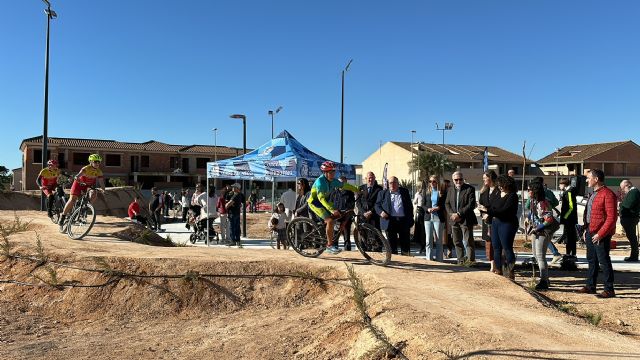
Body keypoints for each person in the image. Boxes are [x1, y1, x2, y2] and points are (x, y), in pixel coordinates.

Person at [578, 169, 618, 298]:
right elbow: (589, 215)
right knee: (592, 260)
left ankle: (609, 289)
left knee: (603, 261)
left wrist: (601, 234)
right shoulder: (593, 194)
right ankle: (590, 286)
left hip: (601, 234)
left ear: (596, 179)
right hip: (590, 231)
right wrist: (586, 229)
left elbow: (612, 218)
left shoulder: (608, 194)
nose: (586, 180)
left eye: (588, 178)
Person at [307, 161, 359, 254]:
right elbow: (321, 198)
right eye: (331, 172)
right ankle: (329, 245)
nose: (333, 174)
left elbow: (345, 185)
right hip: (316, 203)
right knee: (330, 221)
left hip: (326, 202)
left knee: (339, 214)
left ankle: (330, 233)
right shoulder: (320, 182)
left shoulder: (334, 181)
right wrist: (331, 209)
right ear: (325, 173)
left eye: (334, 172)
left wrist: (357, 189)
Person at [480, 175, 519, 279]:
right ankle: (498, 269)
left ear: (508, 185)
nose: (500, 187)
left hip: (507, 223)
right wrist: (484, 210)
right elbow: (492, 207)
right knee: (496, 247)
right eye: (499, 185)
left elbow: (504, 211)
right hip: (495, 223)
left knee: (507, 247)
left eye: (503, 185)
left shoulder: (512, 196)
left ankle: (510, 271)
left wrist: (488, 211)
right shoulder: (498, 194)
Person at [59, 154, 106, 232]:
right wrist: (77, 178)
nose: (97, 163)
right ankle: (63, 216)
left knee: (94, 193)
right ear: (91, 161)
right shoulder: (86, 168)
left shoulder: (99, 171)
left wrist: (104, 190)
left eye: (99, 162)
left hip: (88, 186)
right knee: (72, 200)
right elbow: (77, 176)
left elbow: (101, 182)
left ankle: (86, 208)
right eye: (95, 162)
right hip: (79, 184)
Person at [375, 176, 414, 256]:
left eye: (394, 182)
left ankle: (407, 262)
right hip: (390, 221)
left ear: (398, 183)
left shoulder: (404, 192)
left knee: (405, 245)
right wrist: (381, 212)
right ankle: (395, 262)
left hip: (403, 221)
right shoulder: (382, 193)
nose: (392, 184)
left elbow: (410, 207)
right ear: (388, 184)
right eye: (391, 183)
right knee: (392, 246)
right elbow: (377, 205)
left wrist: (410, 220)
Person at [445, 171, 477, 263]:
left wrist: (459, 214)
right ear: (453, 180)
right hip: (454, 220)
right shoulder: (450, 190)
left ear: (463, 179)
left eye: (460, 179)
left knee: (468, 241)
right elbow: (447, 203)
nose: (458, 181)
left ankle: (470, 261)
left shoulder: (470, 189)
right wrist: (452, 214)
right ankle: (460, 261)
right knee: (457, 241)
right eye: (456, 180)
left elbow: (471, 205)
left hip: (466, 219)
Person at [478, 170, 500, 272]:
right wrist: (483, 214)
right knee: (488, 244)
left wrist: (488, 213)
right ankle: (492, 265)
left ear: (490, 178)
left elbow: (498, 207)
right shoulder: (483, 192)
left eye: (484, 177)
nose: (483, 179)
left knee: (496, 243)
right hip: (486, 222)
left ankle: (498, 264)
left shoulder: (499, 191)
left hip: (496, 221)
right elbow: (480, 206)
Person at [422, 175, 446, 261]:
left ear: (437, 182)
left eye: (434, 181)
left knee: (439, 241)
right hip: (428, 218)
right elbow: (423, 205)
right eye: (430, 181)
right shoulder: (426, 192)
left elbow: (445, 205)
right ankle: (429, 260)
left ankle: (440, 260)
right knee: (428, 241)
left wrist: (438, 208)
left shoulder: (442, 192)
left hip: (438, 218)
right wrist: (427, 209)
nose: (432, 183)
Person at [619, 180, 640, 262]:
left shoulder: (634, 192)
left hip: (630, 218)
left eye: (623, 188)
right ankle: (634, 255)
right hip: (629, 218)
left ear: (627, 185)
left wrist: (620, 205)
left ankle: (634, 256)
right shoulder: (632, 192)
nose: (623, 190)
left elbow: (628, 205)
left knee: (632, 237)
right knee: (631, 237)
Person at [559, 178, 578, 257]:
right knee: (570, 237)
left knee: (570, 237)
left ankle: (570, 254)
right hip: (570, 219)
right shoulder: (567, 192)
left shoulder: (569, 192)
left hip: (569, 220)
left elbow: (571, 207)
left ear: (563, 184)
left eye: (560, 184)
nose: (559, 186)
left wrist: (565, 217)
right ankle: (570, 253)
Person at [336, 175, 356, 251]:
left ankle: (347, 251)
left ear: (346, 182)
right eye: (339, 182)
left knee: (346, 236)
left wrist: (347, 211)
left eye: (342, 182)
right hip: (337, 217)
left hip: (346, 217)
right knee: (335, 236)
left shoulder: (350, 192)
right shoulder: (335, 191)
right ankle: (334, 250)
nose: (340, 184)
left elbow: (352, 204)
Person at [413, 183, 426, 255]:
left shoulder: (418, 194)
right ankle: (422, 245)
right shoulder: (425, 193)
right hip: (423, 211)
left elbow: (415, 202)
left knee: (420, 229)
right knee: (422, 230)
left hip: (421, 211)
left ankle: (422, 245)